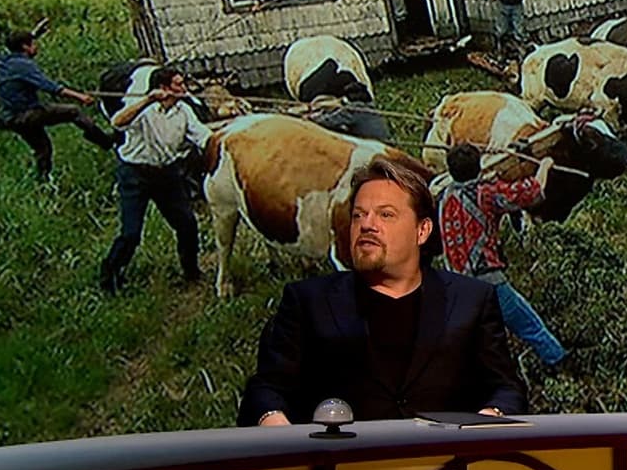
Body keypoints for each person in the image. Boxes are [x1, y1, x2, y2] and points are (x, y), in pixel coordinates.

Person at [238, 157, 526, 426]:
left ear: (422, 231)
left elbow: (506, 389)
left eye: (386, 215)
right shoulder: (306, 302)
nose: (367, 225)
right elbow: (265, 390)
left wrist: (491, 416)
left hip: (443, 460)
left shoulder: (472, 300)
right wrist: (273, 419)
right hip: (340, 461)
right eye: (358, 215)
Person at [438, 143, 570, 370]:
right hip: (487, 282)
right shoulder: (487, 194)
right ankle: (561, 364)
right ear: (478, 166)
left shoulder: (444, 197)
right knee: (530, 326)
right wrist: (545, 166)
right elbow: (532, 192)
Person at [100, 67, 212, 293]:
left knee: (187, 224)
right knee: (131, 234)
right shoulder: (142, 108)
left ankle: (191, 272)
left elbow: (203, 137)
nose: (184, 88)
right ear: (163, 88)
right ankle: (109, 278)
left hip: (167, 173)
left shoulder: (184, 111)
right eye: (178, 84)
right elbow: (117, 123)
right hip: (135, 174)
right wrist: (147, 100)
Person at [0, 30, 117, 180]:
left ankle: (42, 181)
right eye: (34, 44)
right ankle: (105, 141)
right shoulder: (23, 66)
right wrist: (80, 96)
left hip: (11, 117)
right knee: (74, 111)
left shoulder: (6, 62)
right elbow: (51, 87)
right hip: (26, 114)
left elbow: (17, 45)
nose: (37, 46)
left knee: (43, 148)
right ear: (25, 47)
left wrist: (34, 33)